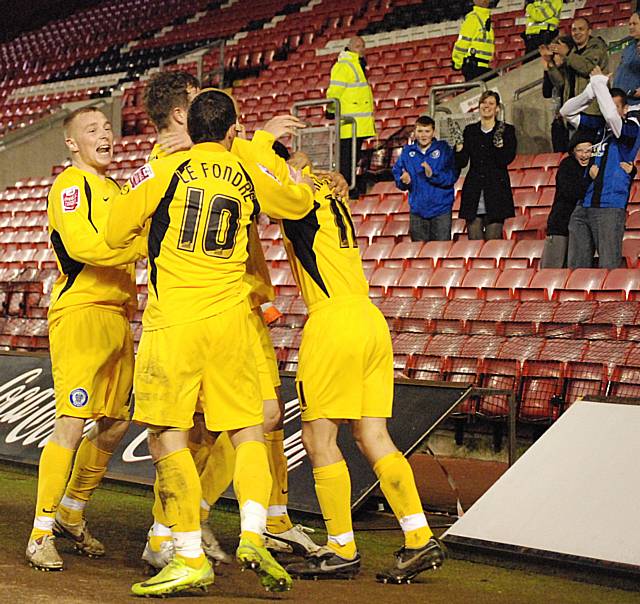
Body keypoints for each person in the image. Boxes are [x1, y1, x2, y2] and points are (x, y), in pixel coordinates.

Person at [105, 89, 318, 597]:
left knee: (168, 435)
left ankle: (188, 554)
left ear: (189, 127)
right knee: (248, 431)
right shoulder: (246, 170)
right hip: (232, 322)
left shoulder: (164, 168)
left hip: (174, 322)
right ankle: (251, 532)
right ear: (231, 130)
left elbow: (113, 229)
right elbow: (297, 200)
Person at [241, 141, 445, 584]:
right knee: (373, 434)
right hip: (369, 319)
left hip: (332, 321)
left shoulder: (299, 190)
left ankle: (340, 547)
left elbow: (258, 179)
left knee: (318, 439)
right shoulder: (328, 189)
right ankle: (418, 535)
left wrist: (253, 148)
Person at [25, 107, 146, 571]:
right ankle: (40, 533)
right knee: (73, 421)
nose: (106, 135)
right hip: (81, 314)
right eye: (92, 130)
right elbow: (83, 246)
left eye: (108, 128)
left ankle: (72, 510)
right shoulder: (70, 186)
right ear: (72, 144)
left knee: (115, 421)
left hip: (118, 316)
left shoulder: (114, 189)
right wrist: (141, 247)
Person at [560, 68, 640, 269]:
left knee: (608, 268)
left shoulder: (631, 129)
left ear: (625, 110)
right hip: (583, 204)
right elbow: (566, 111)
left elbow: (613, 117)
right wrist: (590, 90)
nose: (607, 110)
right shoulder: (598, 128)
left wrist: (599, 84)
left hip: (610, 207)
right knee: (576, 269)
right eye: (605, 105)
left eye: (613, 107)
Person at [455, 91, 517, 240]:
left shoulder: (506, 130)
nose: (486, 106)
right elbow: (462, 162)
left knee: (493, 245)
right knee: (474, 245)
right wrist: (458, 149)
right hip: (474, 192)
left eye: (491, 103)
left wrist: (499, 146)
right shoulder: (470, 131)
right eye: (483, 103)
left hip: (496, 192)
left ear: (497, 108)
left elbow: (506, 159)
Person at [392, 115, 458, 241]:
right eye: (420, 131)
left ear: (433, 132)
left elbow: (451, 177)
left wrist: (432, 175)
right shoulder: (407, 152)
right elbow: (398, 174)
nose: (423, 135)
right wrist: (403, 181)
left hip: (441, 210)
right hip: (417, 211)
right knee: (419, 255)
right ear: (415, 132)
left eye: (427, 131)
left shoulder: (444, 149)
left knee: (440, 252)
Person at [326, 36, 376, 197]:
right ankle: (345, 189)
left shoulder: (356, 65)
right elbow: (334, 92)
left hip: (357, 122)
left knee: (352, 158)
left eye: (363, 46)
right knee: (346, 159)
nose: (362, 49)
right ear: (350, 47)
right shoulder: (344, 65)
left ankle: (349, 187)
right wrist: (331, 109)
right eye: (358, 46)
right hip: (349, 123)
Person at [540, 130, 594, 268]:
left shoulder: (596, 166)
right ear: (573, 151)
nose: (584, 155)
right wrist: (590, 179)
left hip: (583, 229)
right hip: (560, 225)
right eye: (580, 150)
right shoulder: (567, 166)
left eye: (588, 151)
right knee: (552, 271)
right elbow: (571, 192)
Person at [546, 17, 609, 114]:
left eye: (581, 29)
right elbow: (561, 83)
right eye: (574, 30)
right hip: (572, 111)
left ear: (589, 31)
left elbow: (587, 68)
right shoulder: (572, 52)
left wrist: (567, 53)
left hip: (591, 111)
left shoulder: (597, 47)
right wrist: (550, 64)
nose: (577, 32)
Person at [452, 0, 495, 82]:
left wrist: (457, 63)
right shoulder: (476, 19)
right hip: (476, 67)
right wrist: (458, 62)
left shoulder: (476, 18)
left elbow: (462, 44)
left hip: (477, 68)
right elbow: (462, 44)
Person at [613, 12, 640, 108]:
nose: (631, 27)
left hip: (636, 104)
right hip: (622, 103)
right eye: (629, 24)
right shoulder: (629, 46)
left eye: (635, 24)